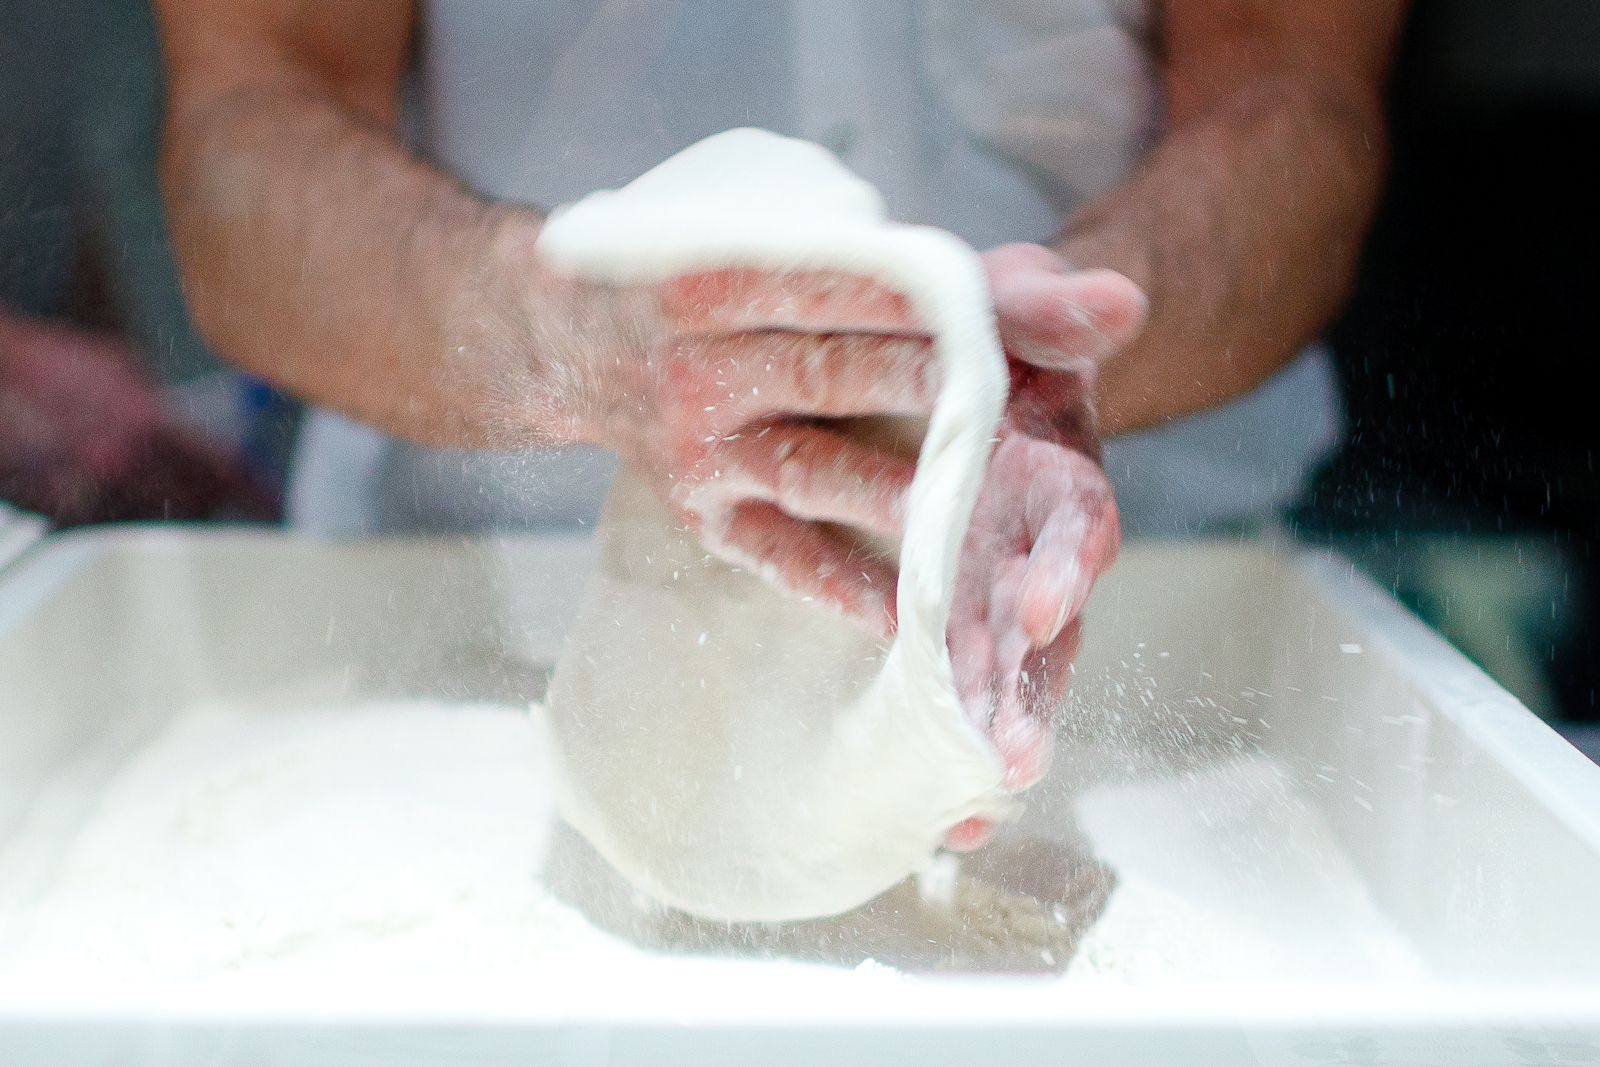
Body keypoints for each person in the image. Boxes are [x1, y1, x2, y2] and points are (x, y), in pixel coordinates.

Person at [150, 0, 1403, 845]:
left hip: (1140, 619)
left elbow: (1294, 104)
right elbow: (247, 129)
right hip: (463, 626)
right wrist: (561, 336)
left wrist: (1045, 349)